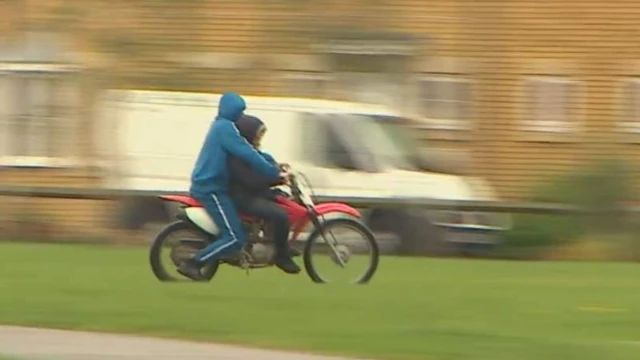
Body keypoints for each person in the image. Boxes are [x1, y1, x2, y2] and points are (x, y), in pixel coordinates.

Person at [178, 92, 282, 281]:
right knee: (235, 237)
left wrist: (272, 164)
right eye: (240, 111)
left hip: (210, 185)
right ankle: (193, 263)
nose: (241, 115)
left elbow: (252, 151)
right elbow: (247, 152)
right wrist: (272, 172)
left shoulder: (220, 125)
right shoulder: (226, 130)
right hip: (211, 189)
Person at [228, 114, 302, 274]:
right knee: (281, 215)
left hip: (250, 194)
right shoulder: (238, 156)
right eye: (257, 135)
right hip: (242, 198)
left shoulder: (246, 151)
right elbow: (251, 181)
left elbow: (262, 165)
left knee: (282, 202)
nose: (259, 139)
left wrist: (278, 168)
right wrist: (276, 179)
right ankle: (282, 257)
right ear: (248, 135)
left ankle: (279, 245)